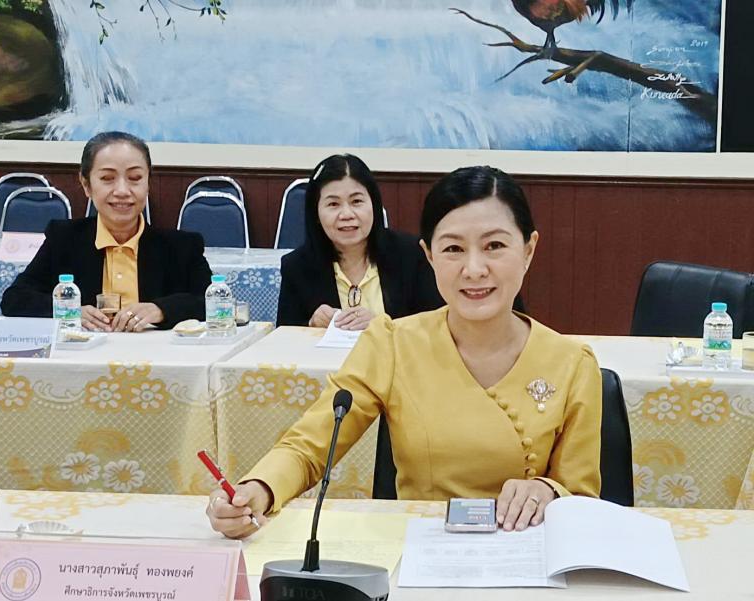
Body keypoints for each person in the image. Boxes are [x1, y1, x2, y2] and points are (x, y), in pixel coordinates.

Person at [207, 165, 602, 538]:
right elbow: (309, 446)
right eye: (453, 249)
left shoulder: (572, 363)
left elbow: (581, 496)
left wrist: (548, 490)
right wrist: (258, 489)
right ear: (429, 256)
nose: (474, 269)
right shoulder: (393, 343)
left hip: (528, 552)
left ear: (529, 250)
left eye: (494, 246)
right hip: (421, 551)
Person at [1, 131, 212, 331]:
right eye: (107, 179)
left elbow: (210, 301)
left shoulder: (181, 246)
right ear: (86, 185)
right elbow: (15, 299)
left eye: (135, 178)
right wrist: (69, 311)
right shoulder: (64, 238)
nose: (122, 191)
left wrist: (161, 310)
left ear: (148, 183)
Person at [276, 154, 443, 330]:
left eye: (356, 201)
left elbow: (435, 325)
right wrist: (310, 324)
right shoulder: (296, 266)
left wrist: (382, 326)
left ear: (374, 206)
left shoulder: (411, 254)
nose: (346, 214)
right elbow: (283, 336)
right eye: (333, 204)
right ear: (316, 213)